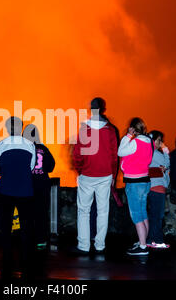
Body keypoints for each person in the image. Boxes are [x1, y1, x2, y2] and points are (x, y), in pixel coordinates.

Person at [0, 117, 36, 277]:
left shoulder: (2, 144)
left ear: (7, 129)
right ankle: (26, 256)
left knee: (6, 224)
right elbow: (32, 166)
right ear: (21, 128)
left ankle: (7, 254)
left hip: (6, 188)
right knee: (26, 224)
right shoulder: (30, 144)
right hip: (25, 189)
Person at [72, 98, 118, 255]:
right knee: (103, 211)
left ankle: (84, 245)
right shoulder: (110, 130)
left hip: (87, 174)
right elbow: (114, 156)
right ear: (103, 109)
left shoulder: (84, 129)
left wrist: (80, 169)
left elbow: (77, 153)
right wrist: (113, 174)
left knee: (83, 211)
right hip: (105, 175)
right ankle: (100, 245)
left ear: (91, 109)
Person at [118, 117, 153, 256]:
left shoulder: (135, 142)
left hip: (134, 182)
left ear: (133, 128)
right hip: (145, 180)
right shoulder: (149, 141)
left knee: (136, 214)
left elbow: (120, 151)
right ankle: (143, 241)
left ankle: (143, 247)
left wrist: (127, 135)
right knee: (143, 212)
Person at [22, 124, 56, 250]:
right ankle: (41, 240)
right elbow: (51, 166)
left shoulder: (23, 147)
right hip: (42, 185)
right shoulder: (43, 148)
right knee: (42, 214)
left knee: (26, 214)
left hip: (27, 186)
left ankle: (27, 239)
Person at [146, 130, 170, 249]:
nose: (161, 143)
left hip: (152, 187)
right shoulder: (155, 153)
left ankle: (152, 239)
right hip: (157, 187)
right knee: (157, 215)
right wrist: (165, 150)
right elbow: (167, 164)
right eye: (159, 140)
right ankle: (157, 240)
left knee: (154, 215)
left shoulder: (147, 153)